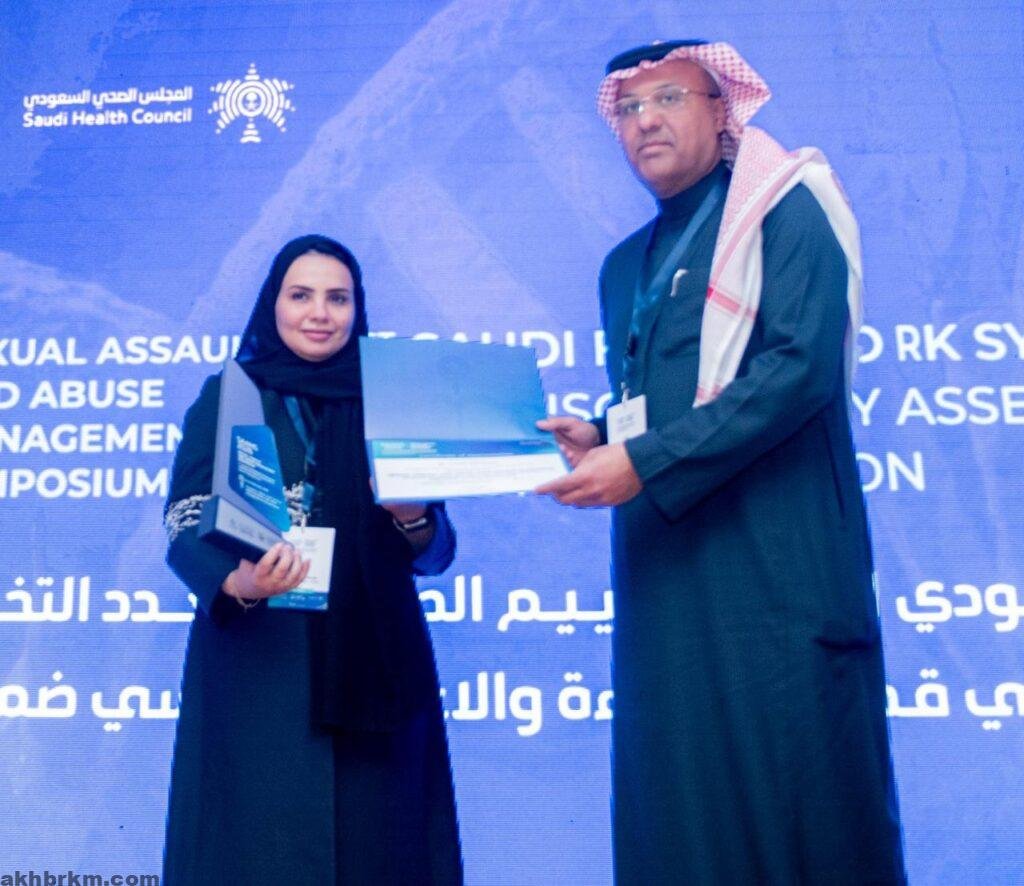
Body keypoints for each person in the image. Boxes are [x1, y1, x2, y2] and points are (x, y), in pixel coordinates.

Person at [537, 41, 906, 884]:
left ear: (721, 108)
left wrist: (645, 463)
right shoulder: (622, 266)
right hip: (668, 586)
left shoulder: (785, 208)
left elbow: (797, 369)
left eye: (669, 98)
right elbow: (666, 396)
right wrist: (603, 436)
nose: (646, 121)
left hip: (778, 577)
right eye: (629, 109)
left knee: (803, 809)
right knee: (679, 812)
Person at [162, 234, 463, 885]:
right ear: (274, 303)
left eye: (338, 298)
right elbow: (183, 519)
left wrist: (411, 514)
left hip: (375, 662)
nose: (320, 313)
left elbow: (437, 550)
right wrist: (236, 581)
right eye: (301, 295)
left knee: (378, 850)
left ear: (358, 308)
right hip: (260, 658)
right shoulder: (232, 395)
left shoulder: (393, 401)